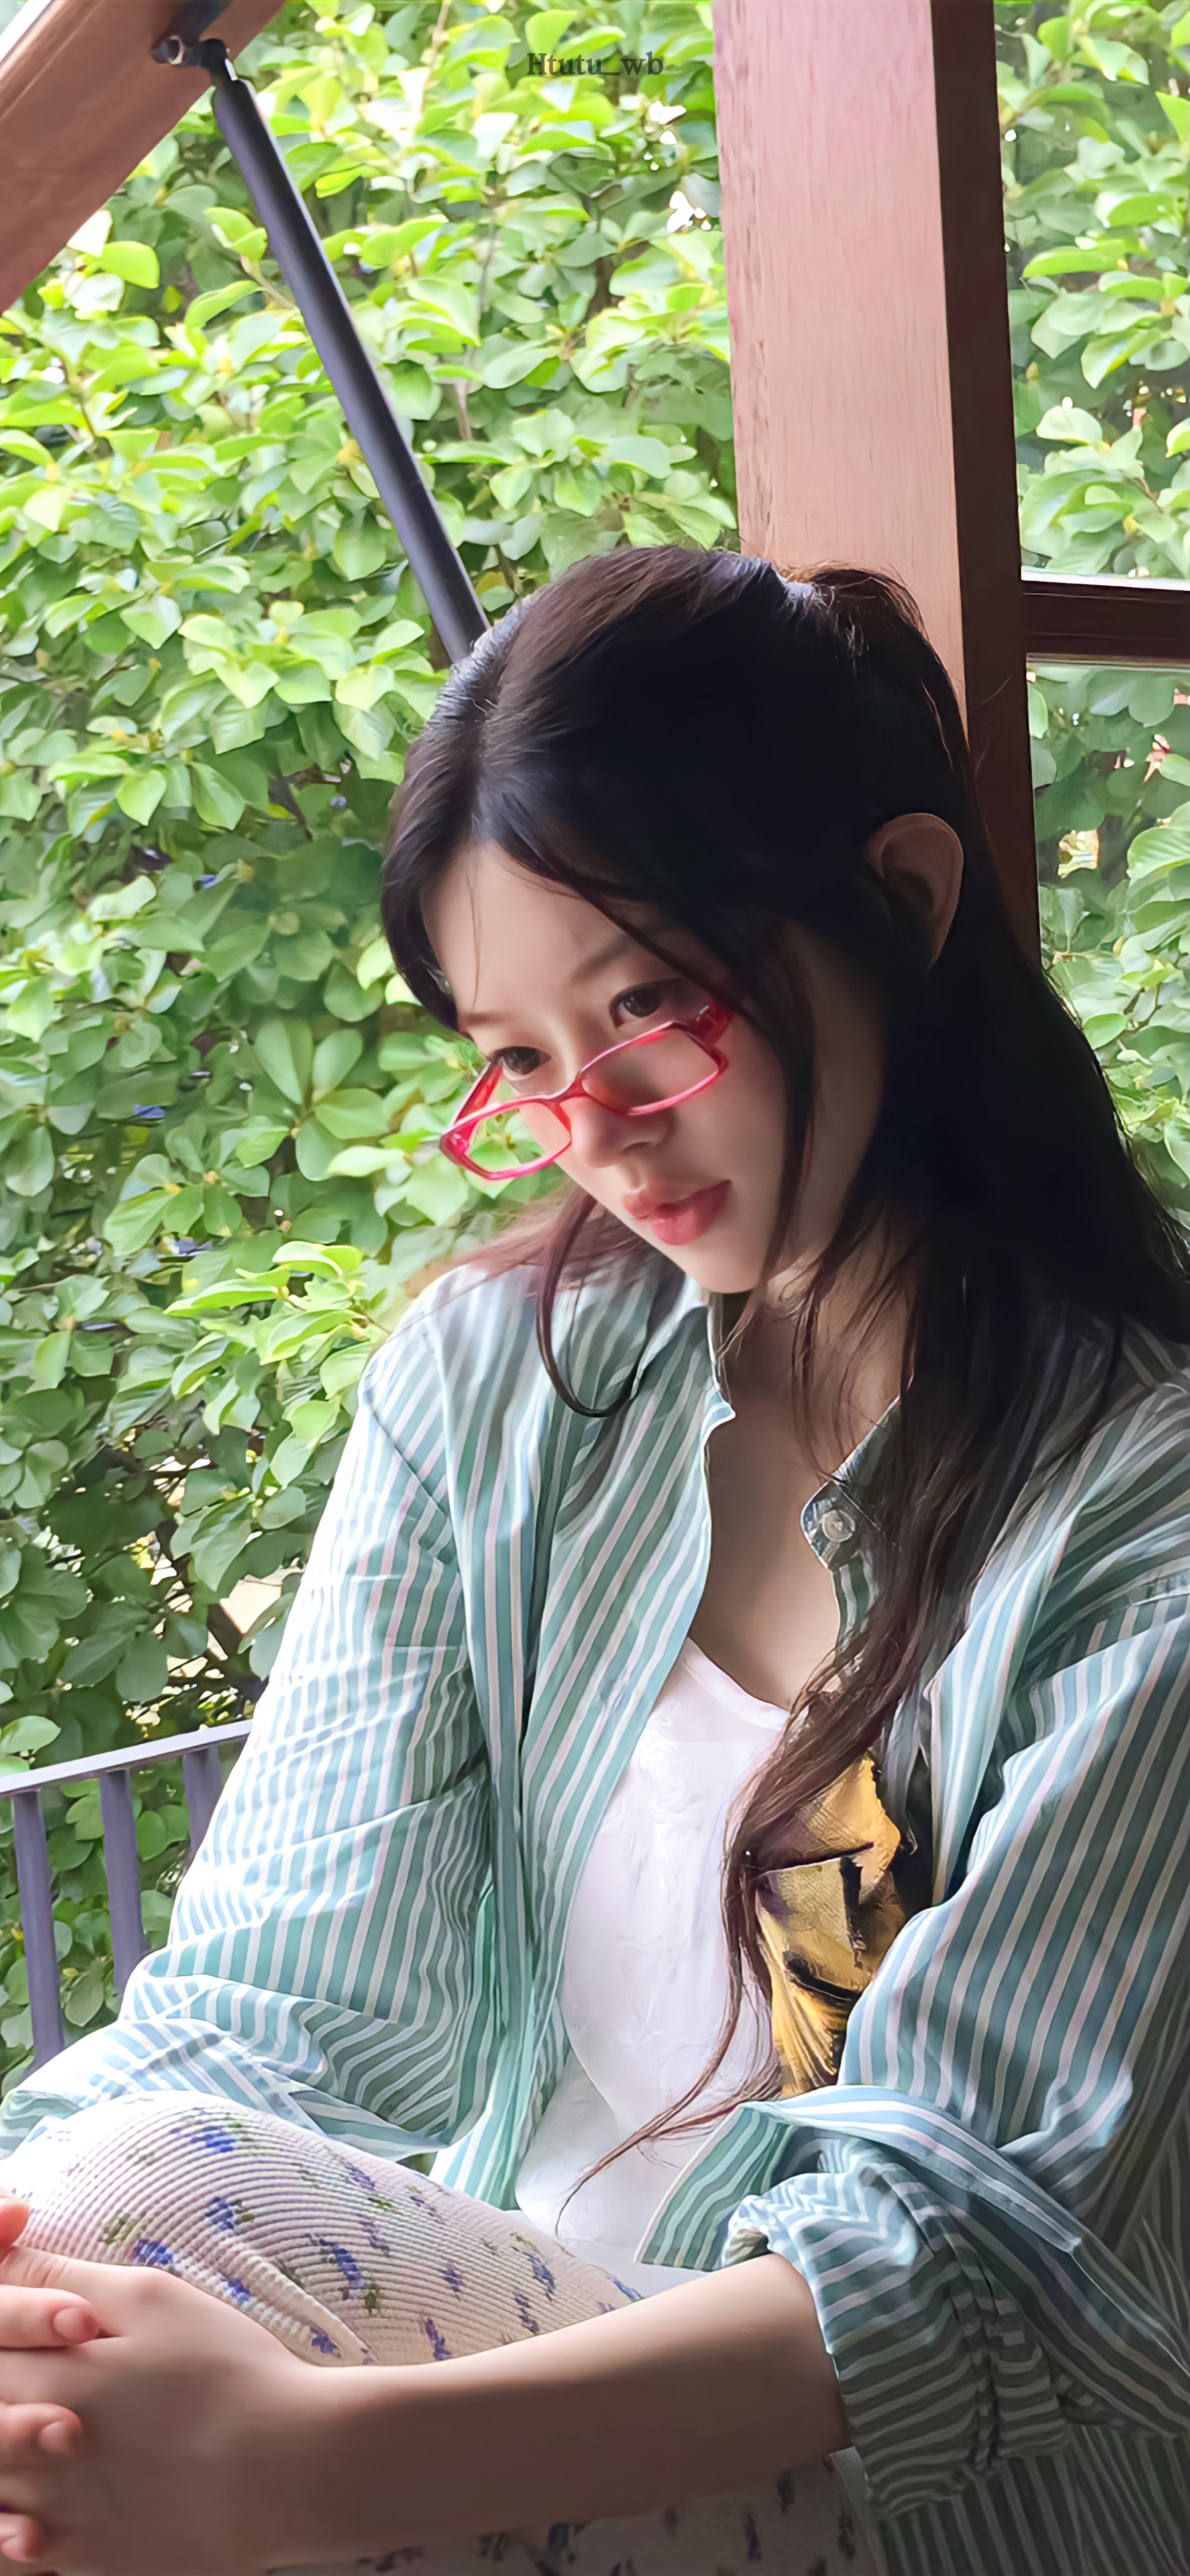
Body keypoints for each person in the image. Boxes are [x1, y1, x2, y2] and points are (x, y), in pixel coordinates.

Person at [0, 547, 1183, 2576]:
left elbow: (970, 2247)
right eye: (524, 1061)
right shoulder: (497, 1386)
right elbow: (285, 1996)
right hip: (493, 2358)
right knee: (79, 2259)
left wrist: (320, 2467)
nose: (603, 1132)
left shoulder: (1142, 1507)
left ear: (905, 898)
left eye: (650, 1011)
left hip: (914, 2500)